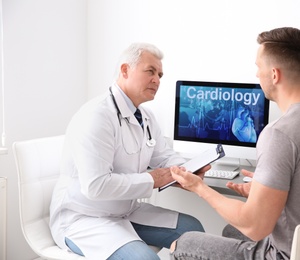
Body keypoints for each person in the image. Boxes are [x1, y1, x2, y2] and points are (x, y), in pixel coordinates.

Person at [169, 27, 300, 260]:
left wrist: (199, 187)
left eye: (258, 67)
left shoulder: (279, 133)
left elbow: (255, 226)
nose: (256, 75)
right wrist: (267, 193)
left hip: (288, 256)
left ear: (274, 74)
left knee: (183, 243)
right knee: (232, 231)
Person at [49, 43, 207, 260]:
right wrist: (152, 180)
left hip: (125, 211)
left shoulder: (147, 117)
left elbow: (164, 156)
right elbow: (96, 186)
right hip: (85, 218)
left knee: (194, 233)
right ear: (125, 70)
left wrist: (187, 169)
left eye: (160, 74)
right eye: (150, 71)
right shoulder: (96, 116)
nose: (157, 80)